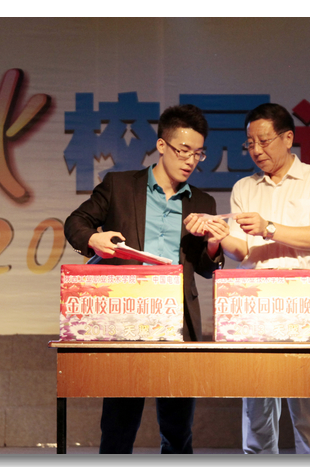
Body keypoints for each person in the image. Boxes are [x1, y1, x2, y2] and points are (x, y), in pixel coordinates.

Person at [64, 104, 228, 454]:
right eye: (184, 150)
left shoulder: (202, 201)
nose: (191, 160)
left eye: (198, 154)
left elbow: (205, 266)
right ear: (162, 145)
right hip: (127, 319)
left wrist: (214, 244)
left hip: (178, 323)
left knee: (178, 431)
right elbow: (76, 222)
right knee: (118, 430)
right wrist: (94, 239)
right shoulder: (120, 186)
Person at [186, 103, 310, 454]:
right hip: (254, 302)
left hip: (300, 299)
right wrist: (216, 236)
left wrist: (269, 228)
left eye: (264, 141)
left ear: (288, 138)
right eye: (250, 143)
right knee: (257, 411)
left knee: (309, 408)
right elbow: (241, 250)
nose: (256, 150)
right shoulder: (245, 187)